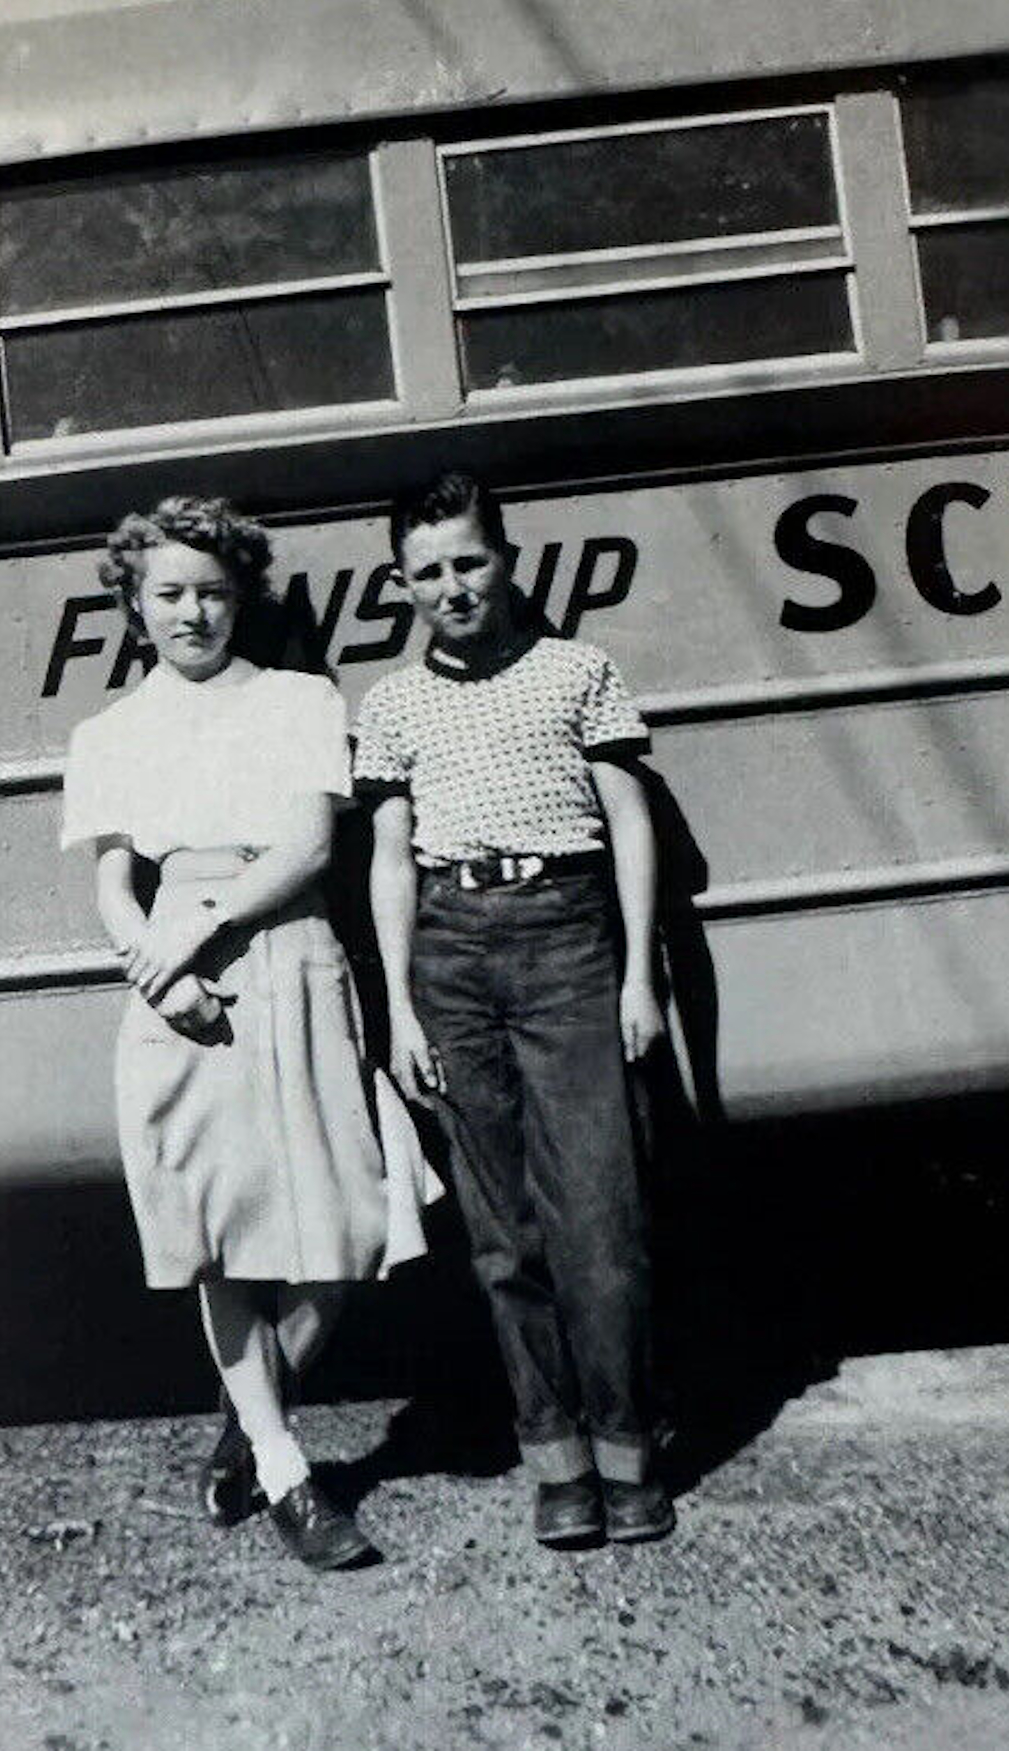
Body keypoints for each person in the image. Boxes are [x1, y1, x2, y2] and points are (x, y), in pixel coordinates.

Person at [61, 494, 440, 1572]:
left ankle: (247, 1413)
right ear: (135, 604)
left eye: (213, 592)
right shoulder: (108, 734)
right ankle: (286, 1471)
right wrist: (157, 969)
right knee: (218, 1234)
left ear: (242, 600)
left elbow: (311, 844)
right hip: (179, 988)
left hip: (292, 954)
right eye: (170, 593)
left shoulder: (297, 698)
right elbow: (115, 883)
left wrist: (201, 929)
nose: (193, 612)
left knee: (354, 1217)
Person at [354, 470, 674, 1549]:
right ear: (402, 584)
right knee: (502, 1235)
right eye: (427, 571)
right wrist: (400, 1009)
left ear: (506, 558)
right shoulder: (391, 704)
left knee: (602, 1222)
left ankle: (628, 1450)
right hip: (451, 955)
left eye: (469, 561)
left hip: (568, 938)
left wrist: (638, 976)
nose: (452, 586)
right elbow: (390, 861)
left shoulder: (579, 670)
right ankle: (558, 1461)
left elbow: (631, 823)